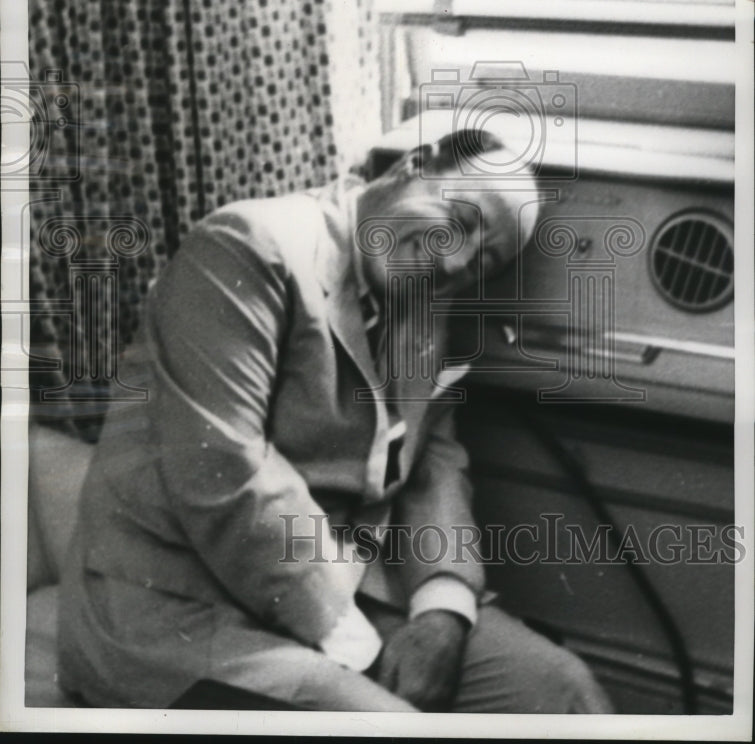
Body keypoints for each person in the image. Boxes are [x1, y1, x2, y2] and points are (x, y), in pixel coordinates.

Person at [58, 129, 613, 713]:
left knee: (560, 688)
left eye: (483, 261)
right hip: (175, 610)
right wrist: (364, 651)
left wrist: (443, 608)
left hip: (343, 585)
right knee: (390, 722)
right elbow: (224, 476)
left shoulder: (426, 297)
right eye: (460, 219)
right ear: (413, 163)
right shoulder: (248, 245)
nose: (456, 262)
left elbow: (433, 466)